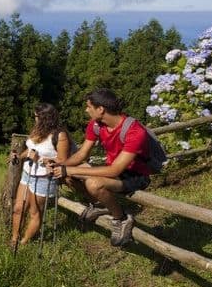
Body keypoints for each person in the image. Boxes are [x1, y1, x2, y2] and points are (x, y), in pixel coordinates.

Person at [48, 88, 151, 246]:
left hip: (135, 176)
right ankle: (101, 204)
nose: (86, 110)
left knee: (93, 183)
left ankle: (121, 218)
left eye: (89, 106)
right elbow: (82, 155)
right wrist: (60, 165)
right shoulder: (96, 125)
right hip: (114, 170)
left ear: (100, 109)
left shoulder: (135, 131)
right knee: (68, 176)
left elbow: (115, 170)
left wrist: (70, 169)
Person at [9, 103, 71, 250]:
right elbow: (30, 150)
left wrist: (40, 160)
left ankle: (24, 242)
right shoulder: (37, 130)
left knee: (34, 212)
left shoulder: (60, 135)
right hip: (27, 173)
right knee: (18, 208)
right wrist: (19, 156)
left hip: (44, 178)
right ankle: (14, 240)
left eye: (37, 116)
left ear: (45, 118)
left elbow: (63, 160)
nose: (35, 119)